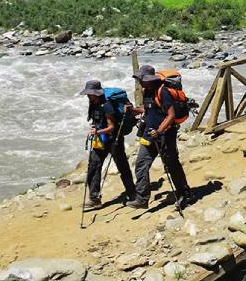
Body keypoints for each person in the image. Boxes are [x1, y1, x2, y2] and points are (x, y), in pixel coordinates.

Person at [127, 70, 193, 209]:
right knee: (141, 164)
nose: (139, 82)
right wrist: (133, 110)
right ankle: (142, 199)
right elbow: (147, 108)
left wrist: (159, 131)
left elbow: (171, 115)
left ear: (150, 79)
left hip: (165, 135)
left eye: (141, 79)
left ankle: (184, 194)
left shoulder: (163, 92)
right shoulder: (147, 91)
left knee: (171, 165)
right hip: (149, 135)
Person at [78, 80, 136, 209]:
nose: (88, 96)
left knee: (122, 166)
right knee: (93, 166)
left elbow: (112, 126)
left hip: (113, 139)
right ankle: (94, 198)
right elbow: (96, 119)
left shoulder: (107, 105)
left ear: (97, 94)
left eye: (90, 94)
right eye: (88, 94)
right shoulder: (93, 103)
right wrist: (95, 127)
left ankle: (132, 193)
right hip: (100, 140)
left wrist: (98, 131)